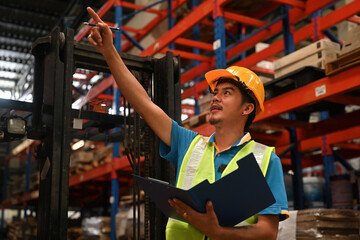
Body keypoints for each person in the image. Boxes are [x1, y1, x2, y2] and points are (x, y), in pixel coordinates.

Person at [86, 7, 289, 240]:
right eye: (216, 92)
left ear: (247, 108)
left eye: (227, 92)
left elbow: (268, 232)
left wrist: (217, 232)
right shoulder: (190, 145)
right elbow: (143, 103)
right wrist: (109, 51)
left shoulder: (265, 160)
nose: (216, 97)